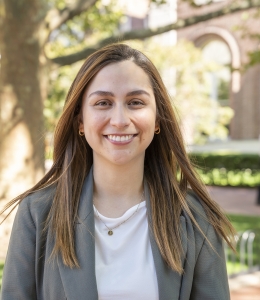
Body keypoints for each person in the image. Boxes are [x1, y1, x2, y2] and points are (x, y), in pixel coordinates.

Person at [0, 43, 235, 300]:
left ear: (157, 119)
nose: (120, 120)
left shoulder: (196, 219)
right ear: (80, 120)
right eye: (103, 103)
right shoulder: (37, 213)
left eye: (135, 102)